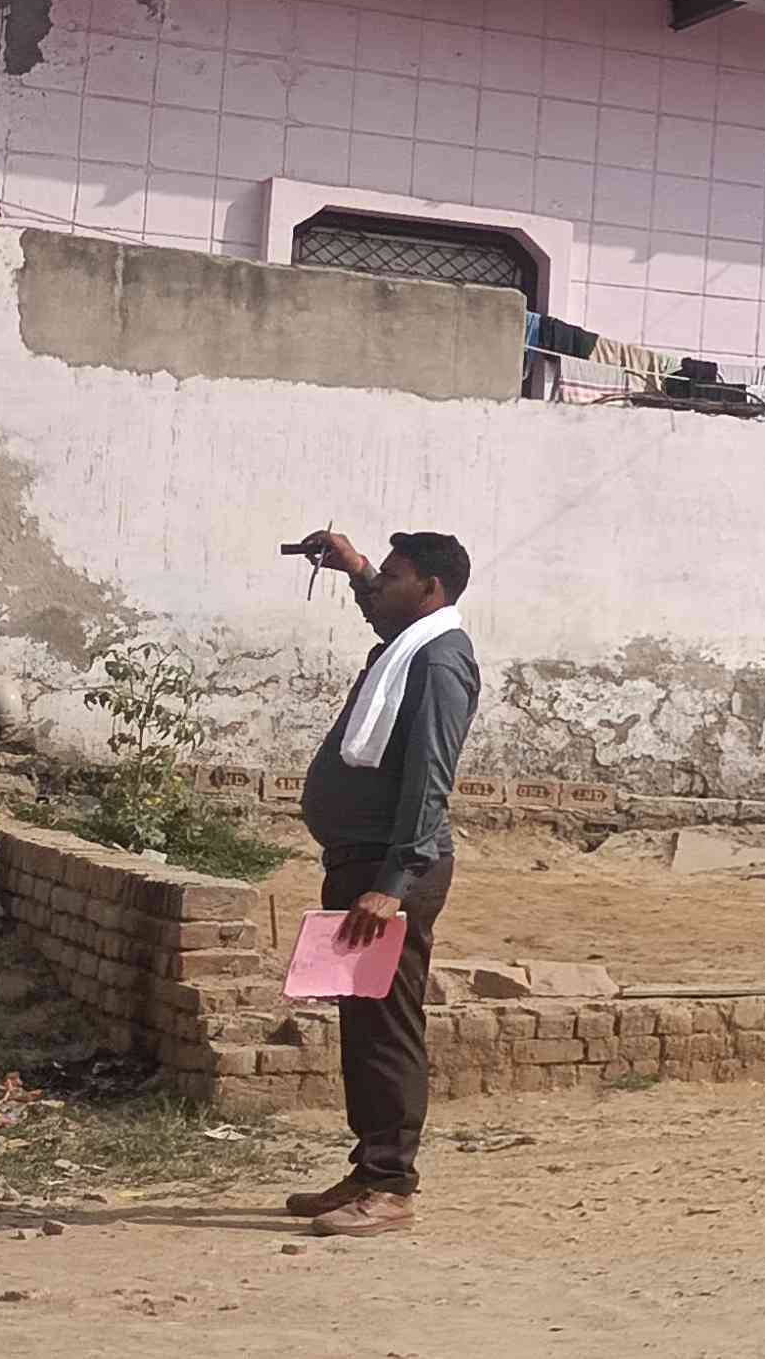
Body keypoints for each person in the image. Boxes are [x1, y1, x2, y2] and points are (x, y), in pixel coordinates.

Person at [278, 528, 480, 1239]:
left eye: (392, 577)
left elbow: (430, 777)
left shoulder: (439, 661)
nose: (380, 589)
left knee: (388, 1025)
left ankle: (391, 1186)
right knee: (363, 1024)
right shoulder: (411, 645)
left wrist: (394, 880)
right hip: (363, 863)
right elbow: (385, 615)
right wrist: (356, 567)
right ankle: (369, 1171)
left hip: (392, 871)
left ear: (430, 589)